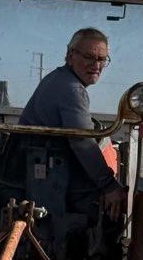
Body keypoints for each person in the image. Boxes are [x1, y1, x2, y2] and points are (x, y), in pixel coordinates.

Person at [19, 27, 127, 220]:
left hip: (38, 162)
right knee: (112, 207)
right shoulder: (72, 89)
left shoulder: (58, 78)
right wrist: (109, 186)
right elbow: (82, 142)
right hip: (46, 170)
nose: (96, 65)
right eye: (89, 57)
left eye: (102, 59)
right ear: (70, 56)